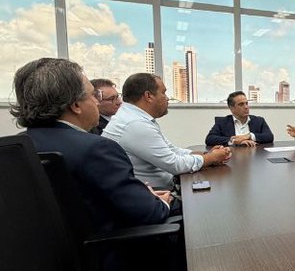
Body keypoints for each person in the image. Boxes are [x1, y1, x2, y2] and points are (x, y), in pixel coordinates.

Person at [10, 58, 174, 232]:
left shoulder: (16, 148)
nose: (97, 102)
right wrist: (160, 202)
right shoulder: (97, 149)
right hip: (114, 250)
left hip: (53, 254)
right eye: (93, 95)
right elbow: (150, 213)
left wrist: (140, 194)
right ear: (76, 105)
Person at [103, 73, 230, 190]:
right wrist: (210, 158)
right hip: (155, 197)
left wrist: (205, 155)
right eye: (163, 93)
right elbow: (175, 165)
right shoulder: (135, 124)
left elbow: (171, 150)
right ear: (148, 96)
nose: (167, 98)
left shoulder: (136, 118)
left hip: (158, 190)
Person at [206, 91, 274, 146]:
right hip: (232, 158)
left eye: (246, 103)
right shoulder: (222, 122)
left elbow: (269, 136)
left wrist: (249, 136)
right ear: (231, 108)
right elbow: (210, 139)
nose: (246, 107)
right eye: (241, 104)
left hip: (254, 157)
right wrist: (234, 141)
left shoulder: (259, 121)